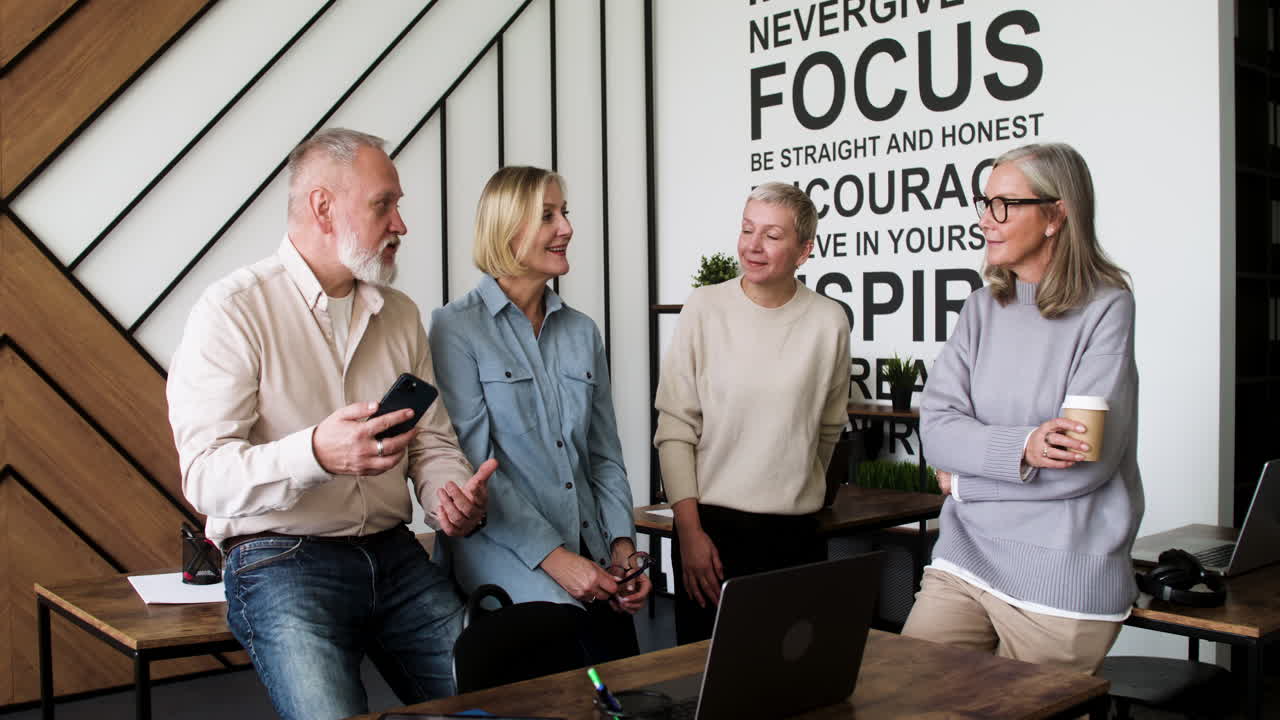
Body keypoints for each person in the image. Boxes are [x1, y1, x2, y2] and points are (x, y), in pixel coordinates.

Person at [167, 128, 495, 720]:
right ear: (323, 207)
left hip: (396, 554)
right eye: (384, 204)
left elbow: (432, 443)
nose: (401, 224)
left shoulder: (400, 315)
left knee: (497, 705)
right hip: (279, 557)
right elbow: (204, 477)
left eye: (398, 206)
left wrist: (448, 495)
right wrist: (314, 453)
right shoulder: (233, 310)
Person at [902, 142, 1143, 675]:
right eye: (984, 203)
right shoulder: (981, 308)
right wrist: (1026, 446)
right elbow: (937, 433)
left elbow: (1086, 463)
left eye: (1004, 205)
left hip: (1059, 577)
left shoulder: (1106, 306)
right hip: (966, 558)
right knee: (900, 694)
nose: (986, 220)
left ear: (1056, 215)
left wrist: (966, 483)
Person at [428, 166, 650, 663]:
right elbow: (473, 467)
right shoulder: (454, 328)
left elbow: (604, 456)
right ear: (507, 229)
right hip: (504, 553)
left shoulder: (582, 332)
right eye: (547, 215)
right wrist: (557, 560)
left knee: (631, 683)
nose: (566, 228)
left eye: (564, 213)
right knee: (568, 641)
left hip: (588, 548)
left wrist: (622, 550)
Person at [653, 182, 851, 644]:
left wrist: (795, 487)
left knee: (789, 690)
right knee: (703, 689)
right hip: (712, 536)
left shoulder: (829, 321)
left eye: (772, 235)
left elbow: (827, 429)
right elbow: (675, 427)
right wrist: (689, 533)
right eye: (747, 230)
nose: (753, 246)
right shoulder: (704, 307)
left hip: (796, 537)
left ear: (804, 250)